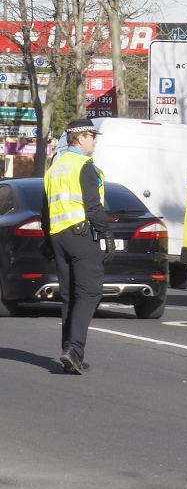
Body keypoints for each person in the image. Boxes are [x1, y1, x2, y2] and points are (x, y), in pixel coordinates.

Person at [41, 119, 114, 374]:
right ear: (81, 138)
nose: (95, 140)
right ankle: (74, 350)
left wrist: (46, 238)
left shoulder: (55, 167)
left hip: (59, 237)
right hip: (82, 237)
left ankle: (70, 354)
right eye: (93, 136)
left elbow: (45, 208)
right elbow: (93, 206)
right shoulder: (84, 165)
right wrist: (107, 234)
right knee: (90, 293)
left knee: (69, 297)